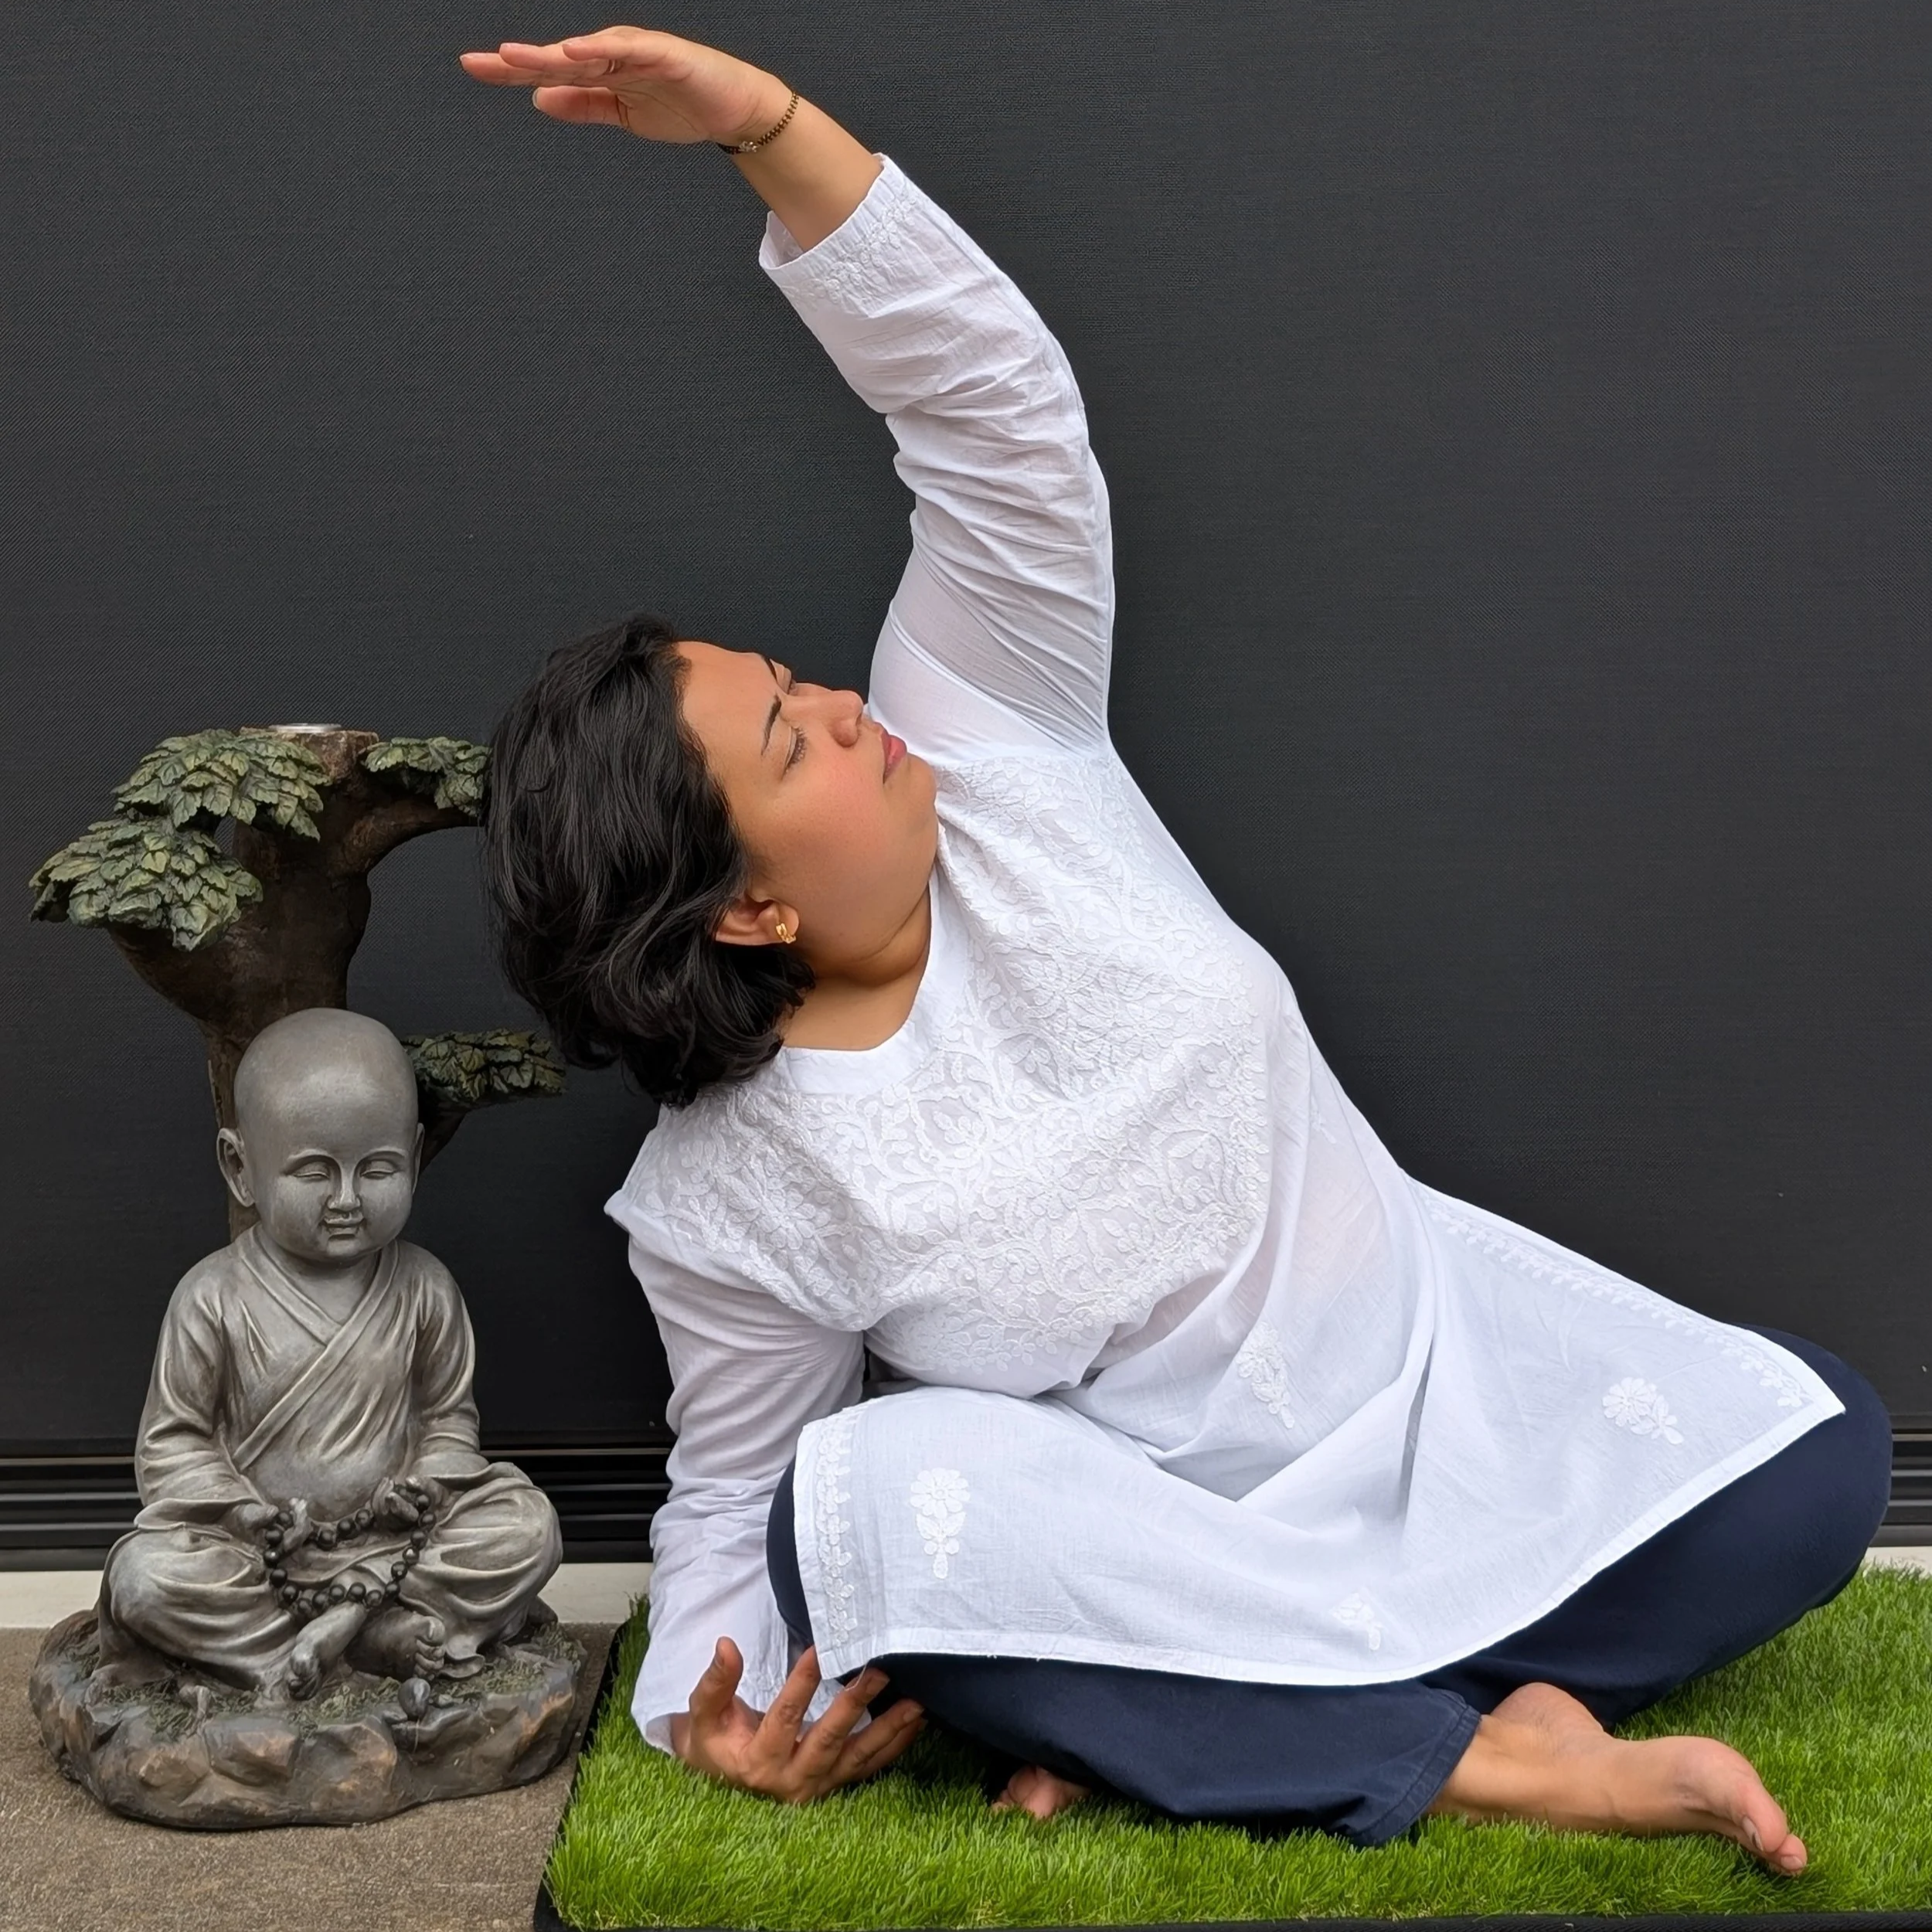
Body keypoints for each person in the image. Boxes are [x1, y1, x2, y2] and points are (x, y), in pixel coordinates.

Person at [465, 27, 1890, 1869]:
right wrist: (700, 1713)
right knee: (864, 1505)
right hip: (1157, 1539)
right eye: (791, 735)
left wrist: (774, 135)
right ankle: (1508, 1757)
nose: (840, 703)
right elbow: (736, 1497)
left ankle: (1196, 1732)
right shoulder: (729, 1196)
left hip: (1443, 1391)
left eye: (802, 680)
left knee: (1814, 1458)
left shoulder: (989, 737)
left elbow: (997, 421)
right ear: (741, 903)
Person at [96, 1009, 563, 1701]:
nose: (347, 1200)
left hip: (393, 1543)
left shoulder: (425, 1288)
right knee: (144, 1576)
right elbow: (172, 1445)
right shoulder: (212, 1298)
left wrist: (427, 1483)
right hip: (260, 1557)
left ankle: (351, 1625)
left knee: (529, 1526)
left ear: (413, 1151)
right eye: (315, 1172)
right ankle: (356, 1640)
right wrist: (243, 1513)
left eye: (376, 1169)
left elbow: (447, 1420)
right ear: (240, 1167)